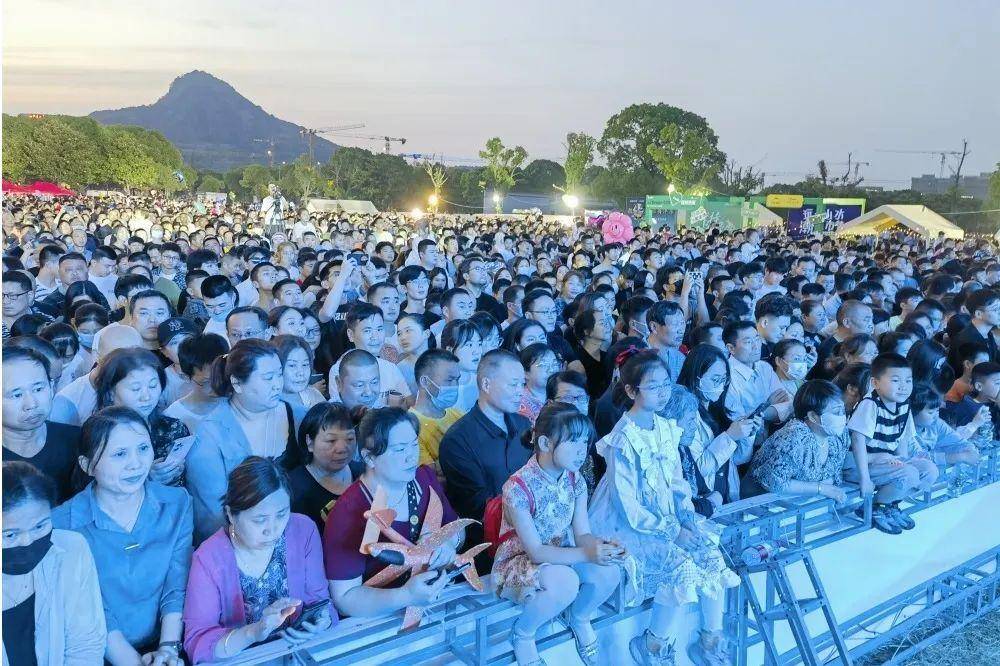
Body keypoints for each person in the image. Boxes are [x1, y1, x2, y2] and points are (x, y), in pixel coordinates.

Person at [587, 351, 738, 664]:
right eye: (653, 386)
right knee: (680, 564)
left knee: (710, 551)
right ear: (632, 391)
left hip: (667, 518)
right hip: (626, 526)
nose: (662, 392)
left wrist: (687, 518)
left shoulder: (666, 428)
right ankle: (653, 645)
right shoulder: (622, 438)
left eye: (666, 384)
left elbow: (677, 483)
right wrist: (673, 531)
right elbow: (627, 506)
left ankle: (710, 640)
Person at [52, 407, 192, 665]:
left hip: (168, 642)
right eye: (120, 454)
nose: (136, 463)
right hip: (99, 651)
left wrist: (168, 650)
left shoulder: (177, 503)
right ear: (87, 465)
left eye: (143, 448)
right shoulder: (62, 525)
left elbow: (176, 584)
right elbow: (91, 609)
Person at [493, 402, 623, 666]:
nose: (582, 451)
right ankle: (523, 633)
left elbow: (582, 533)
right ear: (544, 443)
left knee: (611, 571)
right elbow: (536, 552)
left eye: (585, 442)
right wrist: (588, 553)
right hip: (519, 561)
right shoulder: (517, 488)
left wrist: (602, 547)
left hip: (562, 553)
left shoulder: (575, 480)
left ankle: (580, 617)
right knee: (566, 582)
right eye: (573, 441)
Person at [183, 456, 335, 663]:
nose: (272, 530)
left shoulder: (303, 531)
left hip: (297, 653)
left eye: (281, 514)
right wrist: (253, 632)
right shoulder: (208, 559)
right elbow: (198, 643)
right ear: (231, 514)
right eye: (259, 520)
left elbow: (320, 600)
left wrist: (323, 621)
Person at [324, 408, 464, 618]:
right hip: (382, 619)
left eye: (414, 445)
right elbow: (345, 598)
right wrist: (405, 596)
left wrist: (446, 543)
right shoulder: (349, 512)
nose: (411, 457)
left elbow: (458, 529)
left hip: (439, 600)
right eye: (399, 450)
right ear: (369, 457)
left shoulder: (424, 479)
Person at [186, 340, 304, 542]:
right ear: (237, 383)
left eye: (279, 374)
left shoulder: (298, 415)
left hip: (300, 531)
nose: (278, 384)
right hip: (242, 543)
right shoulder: (210, 434)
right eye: (268, 377)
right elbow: (212, 515)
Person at [1, 461, 106, 663]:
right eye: (10, 535)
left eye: (39, 526)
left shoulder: (71, 550)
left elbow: (86, 646)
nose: (28, 541)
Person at [439, 349, 532, 548]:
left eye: (522, 384)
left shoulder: (524, 425)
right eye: (513, 384)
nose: (520, 391)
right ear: (486, 384)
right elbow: (478, 506)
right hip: (488, 544)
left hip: (532, 529)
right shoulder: (458, 440)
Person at [845, 353, 939, 534]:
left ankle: (890, 504)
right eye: (896, 380)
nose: (903, 386)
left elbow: (902, 438)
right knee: (909, 474)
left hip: (884, 463)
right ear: (875, 383)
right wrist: (865, 479)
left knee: (929, 470)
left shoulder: (903, 404)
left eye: (908, 381)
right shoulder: (870, 404)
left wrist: (904, 462)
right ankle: (875, 508)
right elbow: (857, 440)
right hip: (857, 465)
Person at [94, 347, 192, 486]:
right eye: (135, 388)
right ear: (110, 393)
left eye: (153, 386)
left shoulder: (173, 429)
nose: (146, 397)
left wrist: (176, 474)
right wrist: (144, 479)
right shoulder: (97, 435)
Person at [743, 380, 852, 501]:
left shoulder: (839, 436)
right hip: (761, 502)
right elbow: (773, 482)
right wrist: (820, 488)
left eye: (842, 411)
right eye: (836, 412)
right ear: (812, 416)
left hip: (802, 502)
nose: (842, 417)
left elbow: (834, 476)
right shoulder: (794, 437)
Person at [676, 344, 757, 505]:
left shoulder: (718, 408)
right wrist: (729, 437)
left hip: (727, 494)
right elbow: (697, 469)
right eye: (715, 379)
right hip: (706, 500)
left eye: (724, 379)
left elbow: (739, 459)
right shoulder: (686, 417)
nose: (721, 385)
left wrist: (747, 433)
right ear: (696, 377)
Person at [2, 346, 83, 502]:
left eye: (38, 389)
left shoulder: (79, 440)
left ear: (51, 387)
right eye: (16, 395)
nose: (31, 404)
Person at [287, 402, 364, 534]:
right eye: (331, 441)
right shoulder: (293, 489)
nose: (342, 448)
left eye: (350, 439)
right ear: (309, 442)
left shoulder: (365, 474)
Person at [49, 322, 144, 426]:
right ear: (97, 356)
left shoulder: (149, 388)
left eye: (137, 356)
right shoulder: (68, 401)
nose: (129, 365)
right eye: (117, 358)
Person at [723, 320, 793, 424]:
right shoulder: (727, 377)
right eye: (748, 342)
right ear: (731, 348)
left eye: (757, 339)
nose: (756, 346)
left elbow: (787, 403)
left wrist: (762, 413)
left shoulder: (764, 367)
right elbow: (740, 424)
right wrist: (766, 406)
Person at [162, 333, 229, 434]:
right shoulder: (173, 418)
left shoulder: (239, 402)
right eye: (207, 382)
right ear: (186, 377)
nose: (218, 385)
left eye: (222, 377)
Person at [409, 348, 464, 469]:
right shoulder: (410, 428)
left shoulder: (458, 415)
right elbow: (431, 476)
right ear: (425, 381)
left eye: (457, 379)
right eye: (449, 380)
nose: (455, 386)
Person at [910, 385, 982, 466]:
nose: (935, 416)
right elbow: (917, 458)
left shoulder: (935, 423)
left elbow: (960, 442)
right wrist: (961, 456)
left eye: (937, 411)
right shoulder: (906, 431)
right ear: (912, 412)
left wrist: (970, 451)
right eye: (930, 412)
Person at [441, 319, 485, 413]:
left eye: (479, 344)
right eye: (469, 345)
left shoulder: (483, 380)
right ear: (449, 350)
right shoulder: (436, 388)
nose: (477, 351)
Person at [273, 334, 325, 409]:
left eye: (305, 364)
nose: (301, 373)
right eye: (292, 365)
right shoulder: (266, 404)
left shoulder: (315, 396)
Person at [158, 317, 199, 406]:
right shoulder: (161, 380)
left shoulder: (215, 369)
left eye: (188, 339)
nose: (183, 346)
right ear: (164, 352)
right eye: (174, 342)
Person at [517, 343, 560, 425]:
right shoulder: (518, 404)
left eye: (554, 364)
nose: (551, 370)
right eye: (543, 365)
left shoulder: (563, 393)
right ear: (525, 373)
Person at [396, 312, 431, 395]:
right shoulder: (398, 369)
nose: (403, 337)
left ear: (426, 333)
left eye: (408, 331)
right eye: (399, 334)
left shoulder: (442, 363)